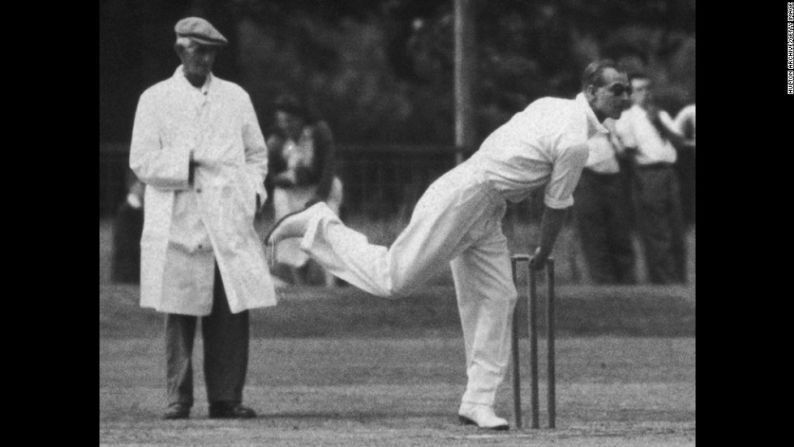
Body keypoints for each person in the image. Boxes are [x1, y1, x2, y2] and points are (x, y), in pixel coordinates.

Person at [266, 60, 630, 430]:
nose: (625, 97)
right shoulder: (574, 143)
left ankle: (477, 401)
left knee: (499, 297)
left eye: (627, 89)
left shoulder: (551, 105)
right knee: (393, 279)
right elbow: (556, 206)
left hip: (487, 205)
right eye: (617, 89)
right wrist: (543, 250)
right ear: (591, 92)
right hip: (467, 196)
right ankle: (319, 224)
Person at [129, 17, 276, 420]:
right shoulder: (155, 99)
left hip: (227, 218)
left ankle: (226, 397)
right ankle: (179, 396)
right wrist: (186, 163)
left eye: (211, 51)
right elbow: (141, 160)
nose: (206, 59)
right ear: (180, 51)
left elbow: (256, 155)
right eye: (199, 50)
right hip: (179, 217)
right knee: (179, 311)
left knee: (230, 310)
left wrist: (253, 194)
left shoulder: (235, 97)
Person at [614, 73, 687, 284]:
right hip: (648, 173)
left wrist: (659, 124)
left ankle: (679, 279)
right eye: (639, 90)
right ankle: (663, 279)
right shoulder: (628, 118)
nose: (644, 93)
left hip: (669, 172)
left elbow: (679, 142)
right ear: (630, 94)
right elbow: (627, 150)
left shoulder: (661, 114)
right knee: (657, 230)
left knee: (676, 228)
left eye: (647, 88)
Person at [266, 94, 344, 286]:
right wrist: (287, 179)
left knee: (326, 228)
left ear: (301, 118)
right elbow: (271, 176)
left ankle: (332, 281)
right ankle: (300, 281)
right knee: (289, 223)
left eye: (290, 120)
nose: (286, 125)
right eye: (282, 121)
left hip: (319, 190)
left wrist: (320, 196)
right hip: (292, 193)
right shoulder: (276, 142)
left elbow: (328, 167)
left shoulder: (319, 132)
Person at [572, 122, 636, 284]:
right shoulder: (574, 115)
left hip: (612, 176)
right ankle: (603, 281)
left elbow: (622, 150)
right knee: (594, 232)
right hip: (587, 174)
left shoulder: (609, 120)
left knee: (620, 231)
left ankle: (627, 281)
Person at [111, 178, 145, 283]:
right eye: (141, 186)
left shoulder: (136, 209)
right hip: (128, 270)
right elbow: (124, 242)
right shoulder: (127, 211)